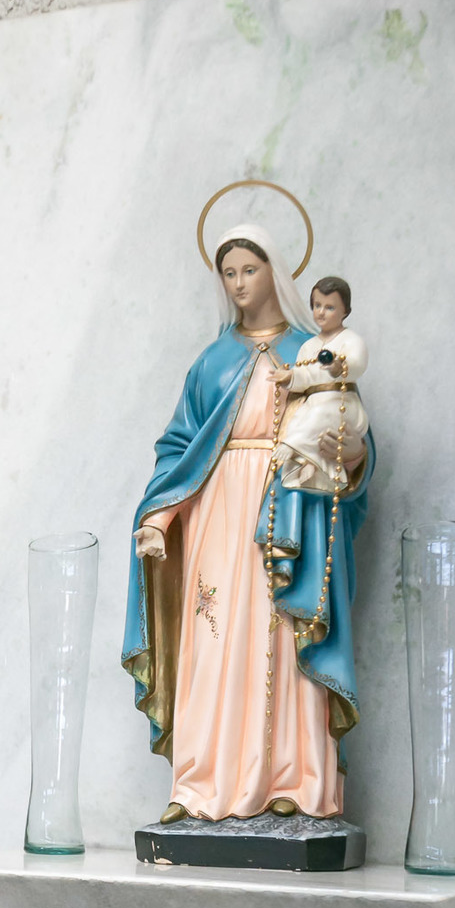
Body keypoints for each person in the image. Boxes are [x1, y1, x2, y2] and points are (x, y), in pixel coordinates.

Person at [122, 224, 374, 824]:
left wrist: (352, 452)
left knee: (286, 639)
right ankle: (200, 784)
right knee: (213, 642)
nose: (238, 283)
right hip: (217, 515)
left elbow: (348, 425)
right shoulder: (211, 362)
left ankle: (295, 779)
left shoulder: (313, 350)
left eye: (249, 271)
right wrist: (159, 517)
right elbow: (178, 450)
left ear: (275, 273)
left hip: (289, 506)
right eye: (228, 273)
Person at [272, 275, 369, 495]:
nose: (321, 312)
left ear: (345, 310)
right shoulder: (309, 345)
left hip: (339, 403)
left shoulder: (350, 339)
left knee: (320, 417)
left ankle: (292, 445)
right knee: (299, 418)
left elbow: (357, 363)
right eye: (317, 306)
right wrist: (289, 378)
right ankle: (313, 467)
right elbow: (305, 374)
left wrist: (338, 367)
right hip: (315, 402)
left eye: (329, 307)